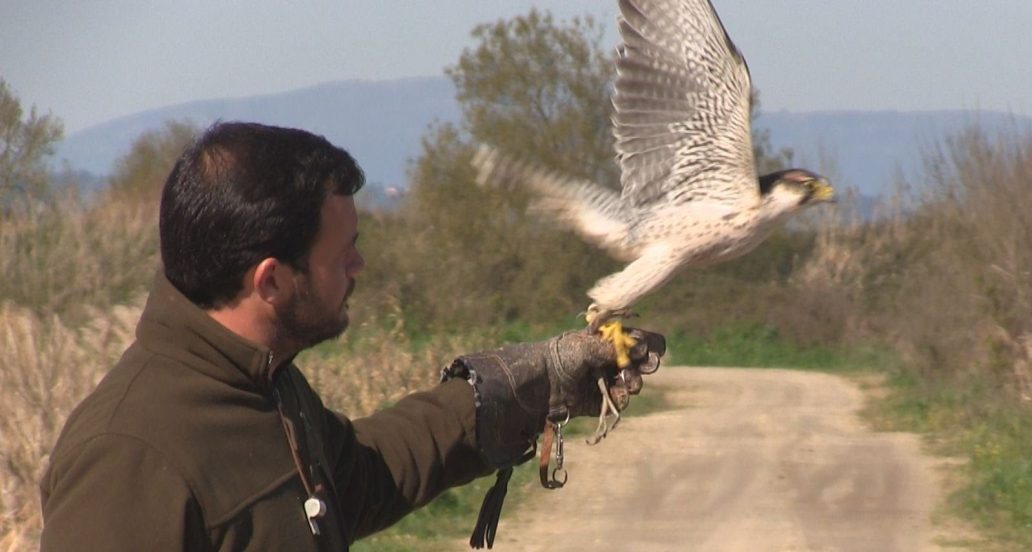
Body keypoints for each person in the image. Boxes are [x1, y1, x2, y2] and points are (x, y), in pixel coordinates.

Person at [39, 122, 663, 551]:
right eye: (345, 254)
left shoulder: (267, 385)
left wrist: (528, 385)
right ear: (272, 283)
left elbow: (362, 476)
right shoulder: (127, 458)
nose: (359, 269)